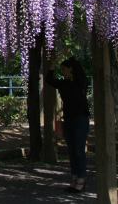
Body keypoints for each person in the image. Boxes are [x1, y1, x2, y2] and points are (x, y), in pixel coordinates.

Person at [45, 57, 90, 193]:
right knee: (71, 150)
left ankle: (81, 179)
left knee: (78, 150)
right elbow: (50, 80)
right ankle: (74, 179)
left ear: (71, 69)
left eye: (64, 69)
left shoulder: (80, 82)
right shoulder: (64, 84)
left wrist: (72, 63)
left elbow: (82, 79)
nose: (62, 71)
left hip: (81, 118)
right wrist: (51, 67)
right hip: (69, 119)